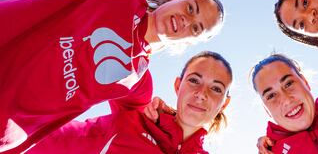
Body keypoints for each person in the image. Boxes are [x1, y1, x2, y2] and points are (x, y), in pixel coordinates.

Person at [0, 0, 224, 153]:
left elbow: (139, 128)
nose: (187, 20)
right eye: (191, 7)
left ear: (189, 41)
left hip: (7, 129)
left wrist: (163, 116)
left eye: (197, 28)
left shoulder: (139, 85)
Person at [26, 51, 232, 154]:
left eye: (216, 88)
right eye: (194, 80)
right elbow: (122, 45)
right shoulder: (139, 108)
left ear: (224, 104)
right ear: (178, 86)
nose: (201, 93)